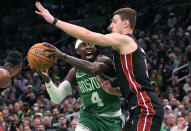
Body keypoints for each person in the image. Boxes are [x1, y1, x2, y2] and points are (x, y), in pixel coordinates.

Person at [35, 2, 164, 131]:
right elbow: (133, 87)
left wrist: (53, 20)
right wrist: (113, 91)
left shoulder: (125, 40)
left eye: (114, 21)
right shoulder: (125, 49)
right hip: (135, 107)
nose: (110, 25)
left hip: (144, 106)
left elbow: (87, 35)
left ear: (125, 23)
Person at [35, 40, 123, 131]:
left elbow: (93, 69)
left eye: (90, 44)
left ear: (95, 48)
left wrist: (63, 56)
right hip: (89, 117)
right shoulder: (75, 72)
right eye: (83, 45)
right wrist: (47, 80)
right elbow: (57, 98)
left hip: (112, 118)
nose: (88, 47)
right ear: (77, 51)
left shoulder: (104, 61)